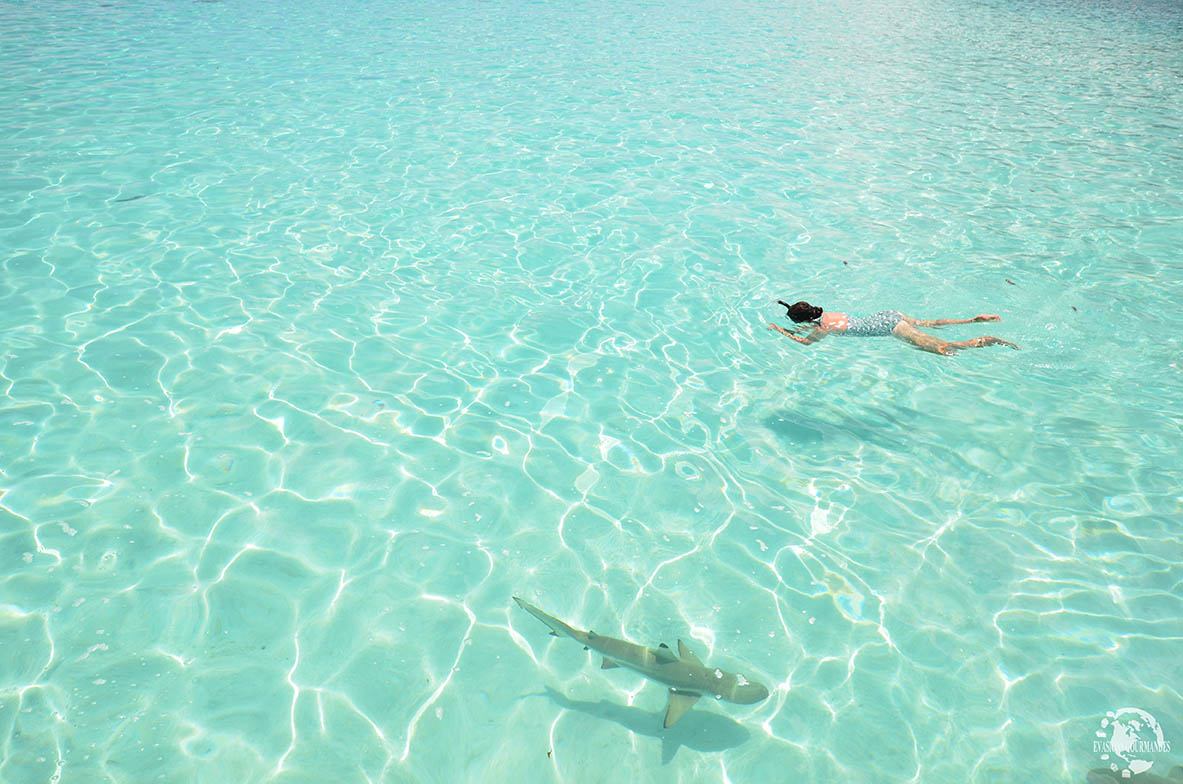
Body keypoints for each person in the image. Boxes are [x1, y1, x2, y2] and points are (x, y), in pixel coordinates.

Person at [768, 300, 1019, 355]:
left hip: (892, 328)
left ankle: (984, 340)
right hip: (889, 315)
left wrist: (780, 331)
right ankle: (971, 321)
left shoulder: (822, 329)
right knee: (928, 324)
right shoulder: (827, 315)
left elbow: (806, 342)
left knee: (942, 348)